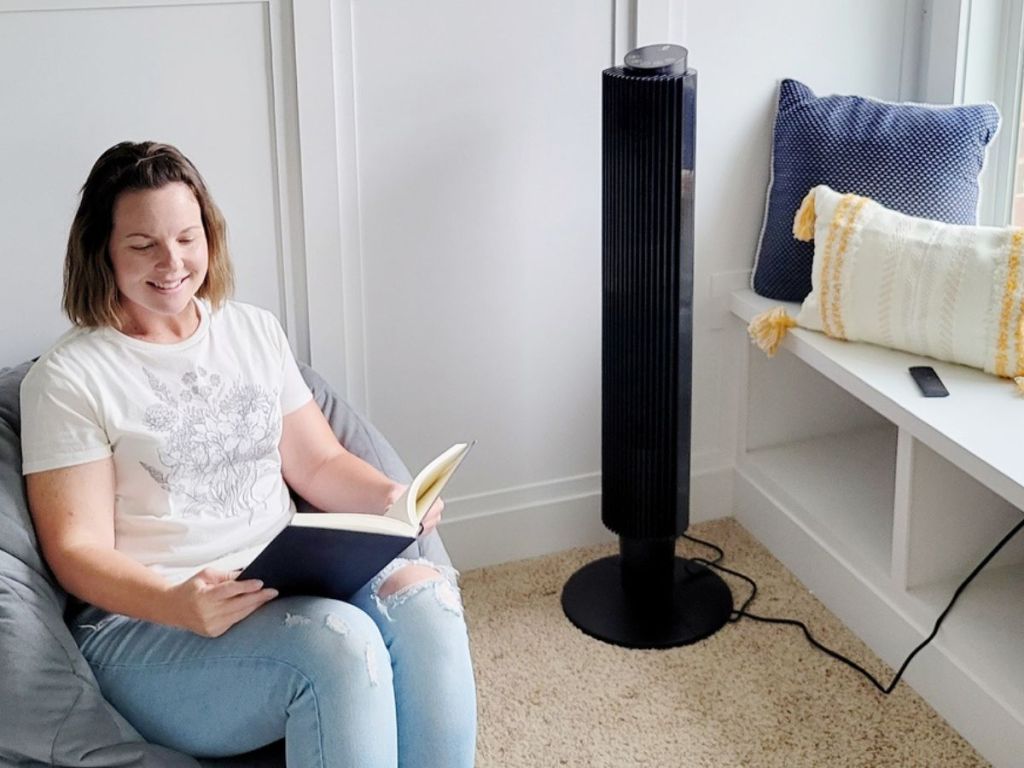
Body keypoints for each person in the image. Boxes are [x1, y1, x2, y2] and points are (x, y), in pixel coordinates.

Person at [19, 141, 477, 767]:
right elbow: (77, 552)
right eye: (143, 244)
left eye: (187, 237)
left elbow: (318, 464)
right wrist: (176, 602)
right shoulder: (69, 378)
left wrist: (392, 499)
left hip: (279, 584)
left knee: (427, 599)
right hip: (152, 625)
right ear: (102, 248)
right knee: (337, 646)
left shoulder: (252, 330)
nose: (172, 261)